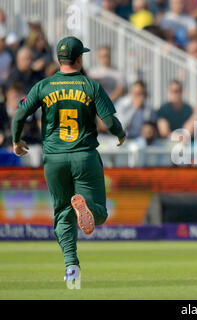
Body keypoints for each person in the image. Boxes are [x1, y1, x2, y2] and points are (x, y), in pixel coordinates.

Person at [11, 36, 126, 288]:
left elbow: (19, 114)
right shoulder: (91, 86)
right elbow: (110, 122)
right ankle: (86, 208)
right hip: (84, 155)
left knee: (62, 213)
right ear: (79, 58)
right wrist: (120, 134)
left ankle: (71, 268)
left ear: (59, 59)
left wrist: (16, 141)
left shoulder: (43, 86)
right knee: (100, 213)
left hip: (54, 158)